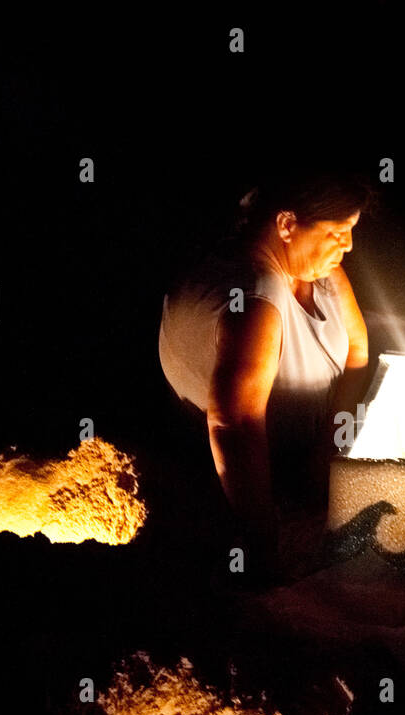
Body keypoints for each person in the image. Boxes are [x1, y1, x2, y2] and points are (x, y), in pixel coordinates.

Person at [159, 172, 372, 580]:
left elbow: (358, 351)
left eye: (351, 230)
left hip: (313, 458)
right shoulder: (254, 301)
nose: (347, 245)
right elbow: (233, 424)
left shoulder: (317, 267)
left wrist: (331, 445)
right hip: (258, 483)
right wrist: (263, 539)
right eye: (337, 231)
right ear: (287, 224)